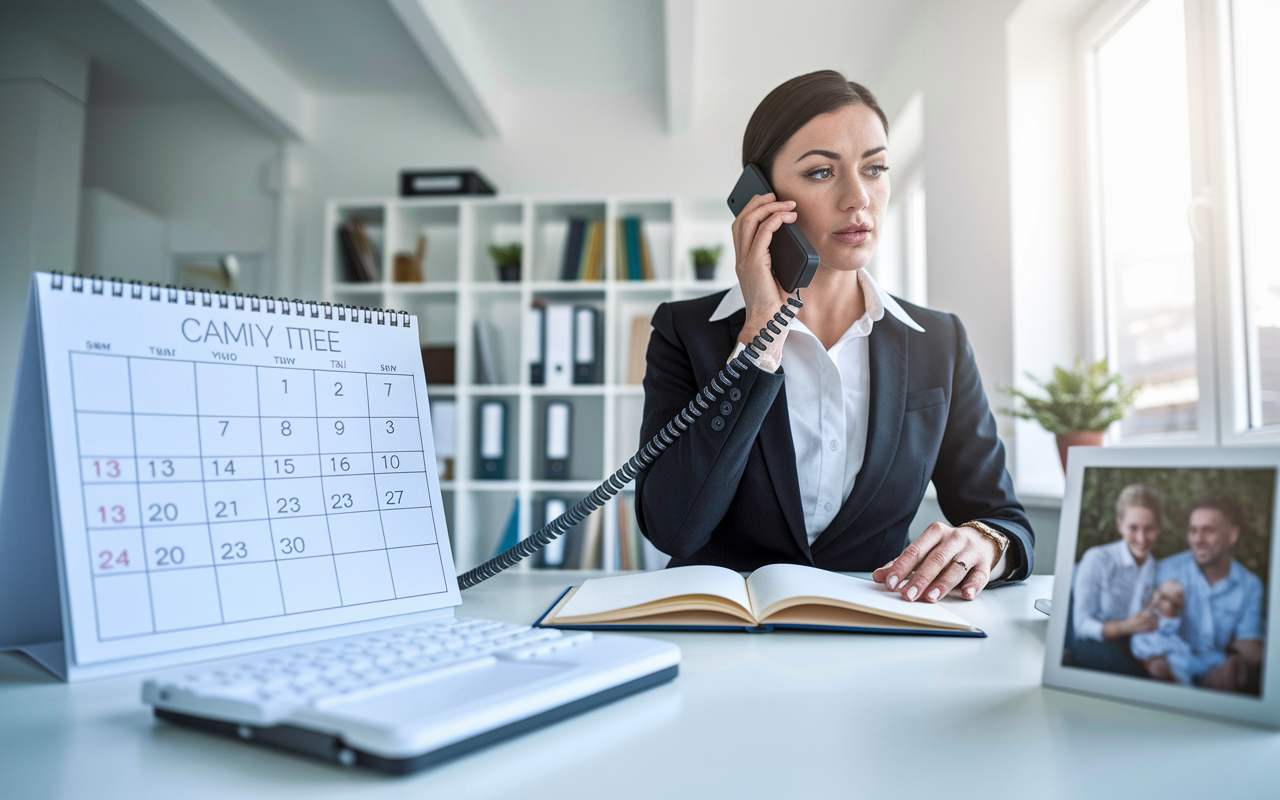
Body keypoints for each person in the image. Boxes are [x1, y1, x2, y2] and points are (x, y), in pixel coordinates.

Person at [634, 70, 1032, 603]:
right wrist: (759, 338)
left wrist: (985, 543)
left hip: (874, 634)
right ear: (761, 195)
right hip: (723, 632)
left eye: (875, 168)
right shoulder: (684, 332)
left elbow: (1002, 517)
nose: (858, 199)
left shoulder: (940, 340)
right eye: (822, 172)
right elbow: (672, 528)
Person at [1144, 497, 1265, 694]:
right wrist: (1156, 664)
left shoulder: (1250, 586)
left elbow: (1249, 646)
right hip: (1171, 676)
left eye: (1208, 530)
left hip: (1219, 680)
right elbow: (1149, 632)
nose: (1198, 539)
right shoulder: (1167, 570)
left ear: (1232, 536)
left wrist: (1236, 664)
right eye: (1193, 531)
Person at [1067, 484, 1162, 676]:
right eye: (1133, 528)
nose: (1141, 539)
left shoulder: (1159, 570)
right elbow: (1082, 625)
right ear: (1120, 526)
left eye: (1149, 529)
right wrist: (1126, 627)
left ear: (1158, 528)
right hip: (1091, 638)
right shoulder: (1098, 559)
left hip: (1133, 643)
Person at [1130, 579, 1225, 685]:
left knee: (1218, 658)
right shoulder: (1148, 617)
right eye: (1162, 596)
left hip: (1186, 656)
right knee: (1181, 676)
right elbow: (1139, 646)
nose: (1161, 602)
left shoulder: (1175, 619)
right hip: (1169, 659)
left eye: (1176, 604)